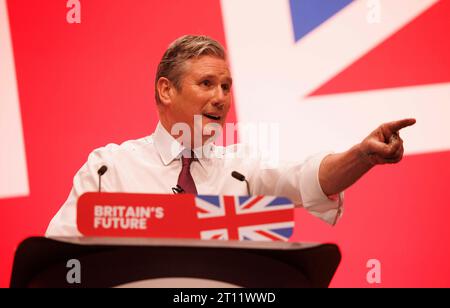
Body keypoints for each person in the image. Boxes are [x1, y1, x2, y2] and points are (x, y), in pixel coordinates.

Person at [46, 35, 416, 236]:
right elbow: (59, 258)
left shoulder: (241, 168)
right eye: (207, 83)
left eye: (226, 86)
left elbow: (306, 179)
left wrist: (362, 156)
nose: (221, 98)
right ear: (165, 90)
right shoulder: (109, 168)